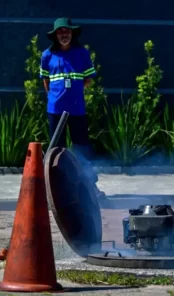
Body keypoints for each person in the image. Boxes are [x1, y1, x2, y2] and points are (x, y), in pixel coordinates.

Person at [39, 17, 105, 199]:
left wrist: (74, 93)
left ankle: (90, 188)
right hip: (55, 110)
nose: (64, 35)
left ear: (72, 33)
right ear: (55, 35)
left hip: (77, 110)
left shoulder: (82, 53)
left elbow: (88, 79)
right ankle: (57, 188)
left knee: (82, 148)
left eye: (66, 31)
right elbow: (46, 81)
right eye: (60, 32)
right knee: (56, 150)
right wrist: (55, 97)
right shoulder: (47, 55)